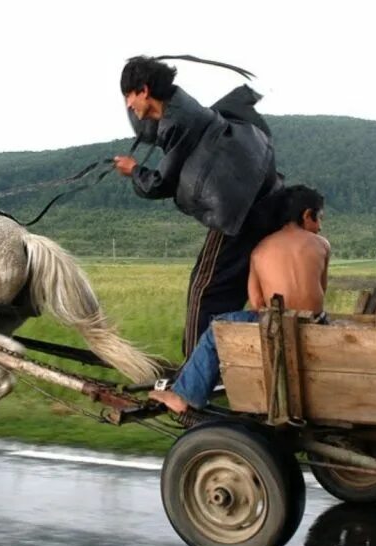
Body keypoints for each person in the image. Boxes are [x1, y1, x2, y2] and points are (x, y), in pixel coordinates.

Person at [113, 56, 284, 357]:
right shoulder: (180, 106)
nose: (128, 105)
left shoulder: (179, 122)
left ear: (144, 90)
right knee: (231, 289)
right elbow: (153, 132)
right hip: (257, 200)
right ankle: (225, 362)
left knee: (204, 290)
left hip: (237, 208)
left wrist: (134, 170)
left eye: (129, 95)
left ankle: (194, 377)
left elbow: (159, 184)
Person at [149, 185, 329, 413]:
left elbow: (256, 303)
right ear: (306, 215)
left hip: (278, 325)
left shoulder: (259, 250)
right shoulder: (322, 245)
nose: (320, 226)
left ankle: (184, 395)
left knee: (217, 329)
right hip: (314, 324)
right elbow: (320, 290)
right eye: (319, 218)